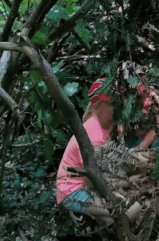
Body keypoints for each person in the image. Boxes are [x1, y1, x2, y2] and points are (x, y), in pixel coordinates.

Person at [56, 78, 142, 223]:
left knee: (137, 186)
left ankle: (101, 219)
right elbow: (92, 180)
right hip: (74, 190)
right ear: (98, 106)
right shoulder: (93, 136)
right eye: (113, 104)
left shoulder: (113, 123)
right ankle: (93, 217)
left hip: (98, 178)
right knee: (128, 212)